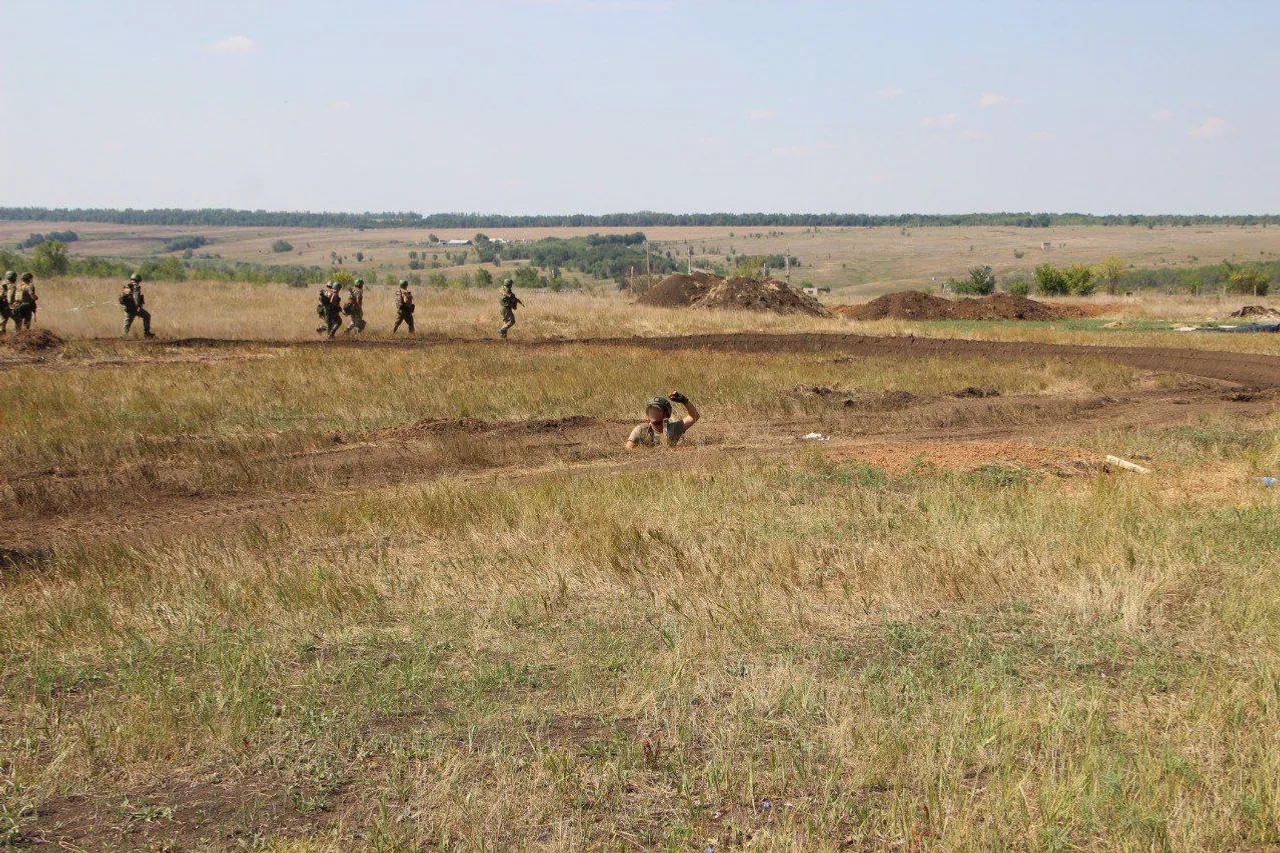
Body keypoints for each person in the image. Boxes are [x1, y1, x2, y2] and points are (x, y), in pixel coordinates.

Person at [626, 391, 699, 449]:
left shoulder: (673, 428)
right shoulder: (641, 430)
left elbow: (694, 416)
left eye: (657, 410)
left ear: (666, 414)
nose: (653, 413)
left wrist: (684, 401)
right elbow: (628, 449)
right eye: (650, 410)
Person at [120, 273, 155, 338]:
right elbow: (136, 297)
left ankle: (123, 336)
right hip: (135, 308)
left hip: (128, 308)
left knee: (127, 324)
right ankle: (147, 334)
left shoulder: (127, 286)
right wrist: (138, 306)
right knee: (147, 316)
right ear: (138, 280)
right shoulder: (136, 286)